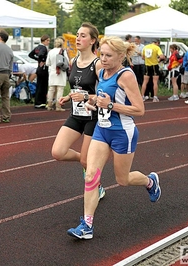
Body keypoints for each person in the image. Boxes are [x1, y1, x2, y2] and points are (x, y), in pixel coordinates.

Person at [67, 36, 161, 240]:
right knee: (91, 174)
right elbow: (102, 98)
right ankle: (87, 225)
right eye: (101, 54)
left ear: (121, 56)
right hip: (102, 130)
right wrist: (88, 99)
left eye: (108, 55)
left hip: (122, 132)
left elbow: (139, 110)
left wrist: (110, 106)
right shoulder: (101, 71)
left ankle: (150, 182)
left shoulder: (126, 75)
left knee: (122, 179)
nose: (103, 58)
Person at [52, 22, 105, 201]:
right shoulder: (73, 61)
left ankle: (98, 187)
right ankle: (85, 159)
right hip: (76, 114)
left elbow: (103, 94)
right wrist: (69, 97)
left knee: (86, 162)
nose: (78, 38)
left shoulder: (98, 64)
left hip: (93, 116)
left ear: (92, 41)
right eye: (77, 35)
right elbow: (77, 87)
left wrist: (86, 98)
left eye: (83, 35)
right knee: (58, 152)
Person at [45, 37, 69, 111]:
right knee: (60, 89)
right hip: (60, 72)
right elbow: (67, 61)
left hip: (52, 72)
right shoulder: (63, 51)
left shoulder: (51, 51)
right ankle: (58, 106)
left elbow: (47, 63)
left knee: (51, 89)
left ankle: (49, 105)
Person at [29, 34, 50, 109]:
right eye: (47, 40)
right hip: (43, 69)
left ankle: (37, 102)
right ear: (44, 40)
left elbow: (30, 55)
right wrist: (43, 61)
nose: (48, 42)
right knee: (43, 86)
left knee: (39, 85)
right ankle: (41, 102)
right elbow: (41, 54)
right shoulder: (43, 48)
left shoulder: (37, 47)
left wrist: (37, 60)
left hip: (39, 69)